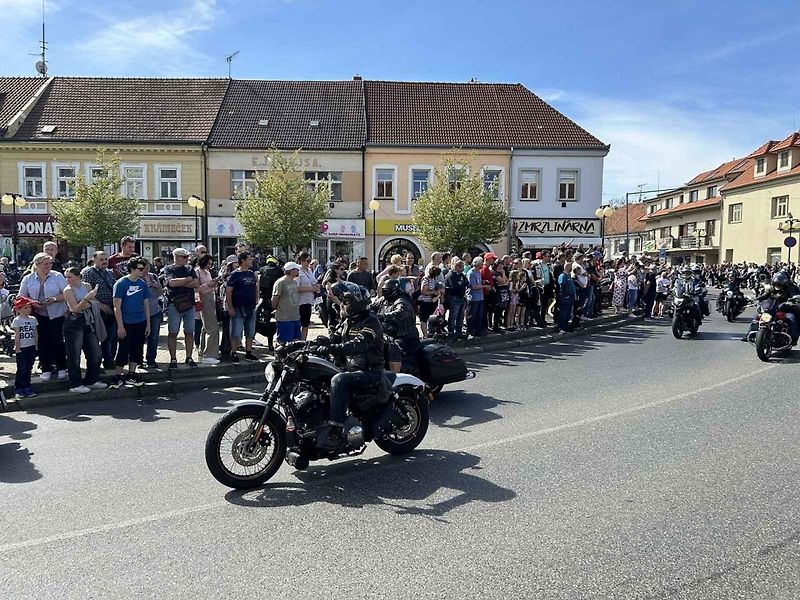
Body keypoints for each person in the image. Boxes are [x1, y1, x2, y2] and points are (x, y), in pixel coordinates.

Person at [316, 281, 386, 450]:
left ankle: (336, 431)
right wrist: (311, 344)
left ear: (356, 304)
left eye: (346, 302)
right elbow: (337, 338)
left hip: (369, 371)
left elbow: (358, 344)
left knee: (338, 381)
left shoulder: (371, 321)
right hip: (352, 368)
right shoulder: (349, 320)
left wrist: (332, 348)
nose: (343, 305)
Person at [19, 252, 68, 382]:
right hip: (38, 314)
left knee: (57, 340)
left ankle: (62, 367)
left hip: (56, 313)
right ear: (37, 264)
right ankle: (45, 367)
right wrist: (33, 303)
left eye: (50, 263)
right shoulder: (28, 279)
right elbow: (21, 296)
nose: (49, 266)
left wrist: (54, 299)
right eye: (46, 264)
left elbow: (67, 293)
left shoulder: (57, 276)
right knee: (42, 341)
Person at [61, 267, 107, 394]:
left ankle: (92, 379)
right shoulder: (68, 290)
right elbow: (75, 308)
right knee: (74, 354)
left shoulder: (86, 286)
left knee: (95, 352)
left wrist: (87, 301)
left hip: (88, 320)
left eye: (70, 277)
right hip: (74, 321)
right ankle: (75, 383)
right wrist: (87, 299)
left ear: (78, 277)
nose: (68, 280)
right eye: (66, 277)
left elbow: (92, 302)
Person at [109, 257, 150, 389]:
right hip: (126, 322)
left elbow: (146, 304)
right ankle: (118, 376)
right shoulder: (121, 284)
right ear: (132, 269)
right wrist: (120, 326)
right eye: (140, 269)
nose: (142, 271)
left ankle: (131, 374)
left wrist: (148, 323)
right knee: (123, 349)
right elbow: (117, 306)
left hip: (140, 321)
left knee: (137, 349)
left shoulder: (142, 284)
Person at [371, 277, 419, 373]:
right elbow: (371, 308)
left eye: (386, 291)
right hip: (386, 334)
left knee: (393, 347)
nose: (384, 293)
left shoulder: (402, 301)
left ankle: (395, 378)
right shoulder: (383, 300)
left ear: (394, 291)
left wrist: (382, 316)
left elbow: (400, 312)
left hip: (404, 336)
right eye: (384, 290)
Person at [163, 248, 199, 369]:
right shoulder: (168, 269)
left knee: (189, 332)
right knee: (173, 332)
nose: (187, 259)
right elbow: (171, 283)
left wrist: (181, 282)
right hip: (174, 304)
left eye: (187, 257)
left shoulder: (189, 268)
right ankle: (173, 358)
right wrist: (188, 279)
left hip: (189, 304)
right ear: (176, 257)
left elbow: (196, 283)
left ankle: (189, 357)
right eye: (184, 257)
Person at [81, 250, 118, 370]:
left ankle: (108, 360)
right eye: (101, 259)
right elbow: (86, 293)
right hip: (96, 310)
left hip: (111, 310)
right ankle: (95, 363)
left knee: (109, 338)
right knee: (96, 338)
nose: (104, 262)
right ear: (94, 260)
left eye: (106, 259)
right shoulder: (87, 273)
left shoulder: (109, 273)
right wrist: (101, 305)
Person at [226, 252, 259, 363]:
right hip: (238, 307)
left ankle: (248, 352)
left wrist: (256, 300)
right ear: (243, 261)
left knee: (250, 331)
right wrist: (230, 307)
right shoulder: (234, 275)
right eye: (249, 259)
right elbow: (228, 292)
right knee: (236, 331)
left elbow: (255, 287)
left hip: (251, 307)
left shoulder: (251, 274)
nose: (251, 261)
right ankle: (234, 352)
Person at [195, 254, 220, 365]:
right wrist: (208, 285)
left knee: (206, 328)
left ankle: (203, 351)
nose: (209, 266)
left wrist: (214, 284)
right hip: (203, 299)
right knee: (212, 328)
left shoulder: (207, 272)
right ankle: (209, 354)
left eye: (211, 264)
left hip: (210, 297)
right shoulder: (197, 272)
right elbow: (196, 289)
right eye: (208, 263)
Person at [12, 296, 38, 398]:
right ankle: (18, 388)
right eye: (25, 308)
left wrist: (36, 346)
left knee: (28, 368)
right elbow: (17, 335)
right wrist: (17, 347)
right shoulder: (17, 320)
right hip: (22, 348)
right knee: (21, 368)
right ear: (18, 309)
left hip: (31, 346)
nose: (28, 310)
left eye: (29, 307)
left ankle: (27, 387)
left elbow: (35, 333)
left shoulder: (33, 319)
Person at [272, 261, 302, 347]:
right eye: (296, 269)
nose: (298, 271)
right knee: (283, 341)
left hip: (295, 316)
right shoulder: (281, 282)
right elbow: (275, 298)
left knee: (296, 339)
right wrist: (276, 309)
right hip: (284, 317)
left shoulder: (294, 282)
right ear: (291, 270)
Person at [141, 259, 164, 369]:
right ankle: (138, 359)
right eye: (143, 268)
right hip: (140, 312)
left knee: (154, 336)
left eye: (147, 268)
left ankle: (151, 359)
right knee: (139, 337)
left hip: (154, 310)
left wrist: (157, 286)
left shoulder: (153, 277)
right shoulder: (136, 278)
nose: (145, 270)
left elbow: (161, 293)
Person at [256, 255, 282, 352]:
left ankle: (267, 338)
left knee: (265, 319)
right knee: (278, 318)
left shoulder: (262, 269)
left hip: (265, 298)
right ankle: (278, 340)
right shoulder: (279, 270)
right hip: (276, 297)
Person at [296, 251, 320, 340]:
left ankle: (303, 342)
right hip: (300, 302)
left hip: (308, 301)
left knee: (306, 324)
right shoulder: (298, 270)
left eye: (310, 261)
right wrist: (311, 289)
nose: (309, 263)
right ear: (301, 261)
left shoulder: (309, 270)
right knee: (299, 324)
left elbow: (313, 282)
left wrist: (316, 286)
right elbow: (296, 288)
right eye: (307, 261)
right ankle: (296, 343)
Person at [444, 259, 468, 341]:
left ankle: (459, 332)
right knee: (453, 317)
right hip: (454, 298)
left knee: (460, 317)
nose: (461, 268)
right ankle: (451, 333)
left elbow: (466, 282)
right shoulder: (450, 275)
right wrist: (460, 284)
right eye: (460, 266)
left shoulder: (461, 275)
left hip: (461, 297)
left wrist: (461, 283)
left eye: (462, 267)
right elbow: (453, 286)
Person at [466, 256, 485, 339]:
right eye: (481, 263)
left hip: (480, 296)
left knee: (479, 315)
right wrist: (484, 286)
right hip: (473, 297)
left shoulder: (479, 272)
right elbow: (473, 286)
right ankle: (470, 331)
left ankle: (478, 331)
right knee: (472, 315)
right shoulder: (471, 273)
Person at [557, 265, 578, 334]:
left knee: (568, 313)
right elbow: (561, 286)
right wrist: (565, 295)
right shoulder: (562, 276)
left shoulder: (568, 275)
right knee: (564, 312)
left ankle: (566, 327)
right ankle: (562, 327)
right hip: (565, 297)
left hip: (570, 296)